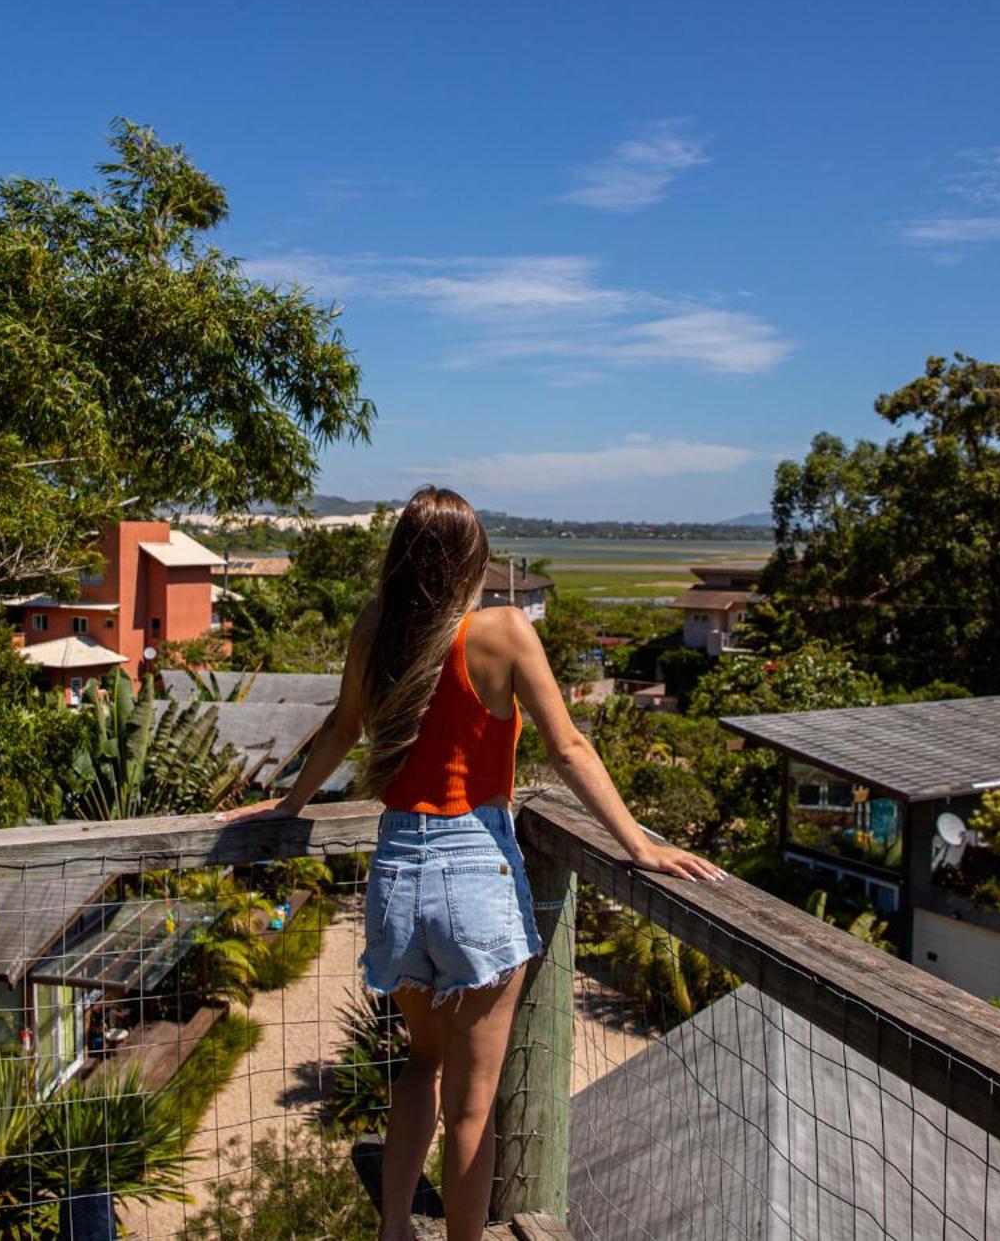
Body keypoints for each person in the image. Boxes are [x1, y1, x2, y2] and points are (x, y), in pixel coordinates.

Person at [219, 486, 723, 1241]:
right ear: (472, 559)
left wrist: (286, 807)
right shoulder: (505, 631)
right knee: (474, 1103)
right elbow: (569, 747)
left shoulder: (375, 630)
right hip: (473, 865)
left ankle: (393, 1227)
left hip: (395, 870)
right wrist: (640, 845)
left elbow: (341, 728)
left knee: (420, 1063)